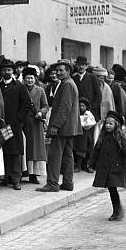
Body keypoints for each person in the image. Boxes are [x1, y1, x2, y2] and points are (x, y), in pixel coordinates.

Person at [36, 60, 82, 192]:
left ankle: (52, 183)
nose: (58, 72)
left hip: (63, 127)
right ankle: (68, 182)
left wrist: (55, 126)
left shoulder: (66, 84)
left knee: (55, 155)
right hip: (70, 127)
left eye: (62, 70)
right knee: (67, 156)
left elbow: (64, 108)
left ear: (68, 71)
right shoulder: (69, 83)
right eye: (57, 70)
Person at [88, 111, 126, 221]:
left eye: (111, 124)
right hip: (105, 167)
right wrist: (91, 163)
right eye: (107, 123)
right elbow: (96, 151)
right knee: (111, 189)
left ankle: (117, 211)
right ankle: (117, 210)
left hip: (116, 167)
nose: (108, 126)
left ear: (116, 125)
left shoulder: (120, 138)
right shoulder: (102, 137)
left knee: (112, 188)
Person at [1, 60, 33, 190]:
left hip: (14, 125)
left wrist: (18, 119)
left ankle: (16, 179)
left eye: (9, 70)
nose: (6, 72)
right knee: (3, 149)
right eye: (4, 70)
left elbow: (26, 104)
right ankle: (5, 177)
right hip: (2, 125)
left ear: (13, 71)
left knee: (15, 151)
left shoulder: (19, 86)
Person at [22, 67, 48, 184]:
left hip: (35, 122)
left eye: (31, 78)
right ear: (24, 79)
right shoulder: (20, 89)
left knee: (35, 149)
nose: (30, 80)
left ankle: (34, 174)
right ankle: (24, 172)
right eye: (27, 78)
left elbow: (45, 106)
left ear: (35, 79)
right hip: (23, 122)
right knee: (24, 147)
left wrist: (40, 112)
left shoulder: (40, 90)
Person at [72, 56, 102, 121]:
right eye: (79, 65)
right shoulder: (73, 79)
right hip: (77, 111)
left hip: (90, 112)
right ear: (76, 66)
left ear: (86, 66)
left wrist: (92, 109)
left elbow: (98, 95)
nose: (81, 67)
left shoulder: (92, 77)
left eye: (83, 65)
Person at [74, 97, 96, 173]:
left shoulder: (89, 114)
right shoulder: (76, 114)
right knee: (79, 150)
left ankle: (88, 166)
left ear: (86, 106)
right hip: (80, 135)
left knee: (88, 151)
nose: (81, 107)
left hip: (87, 134)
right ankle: (78, 166)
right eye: (80, 106)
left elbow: (91, 122)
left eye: (83, 106)